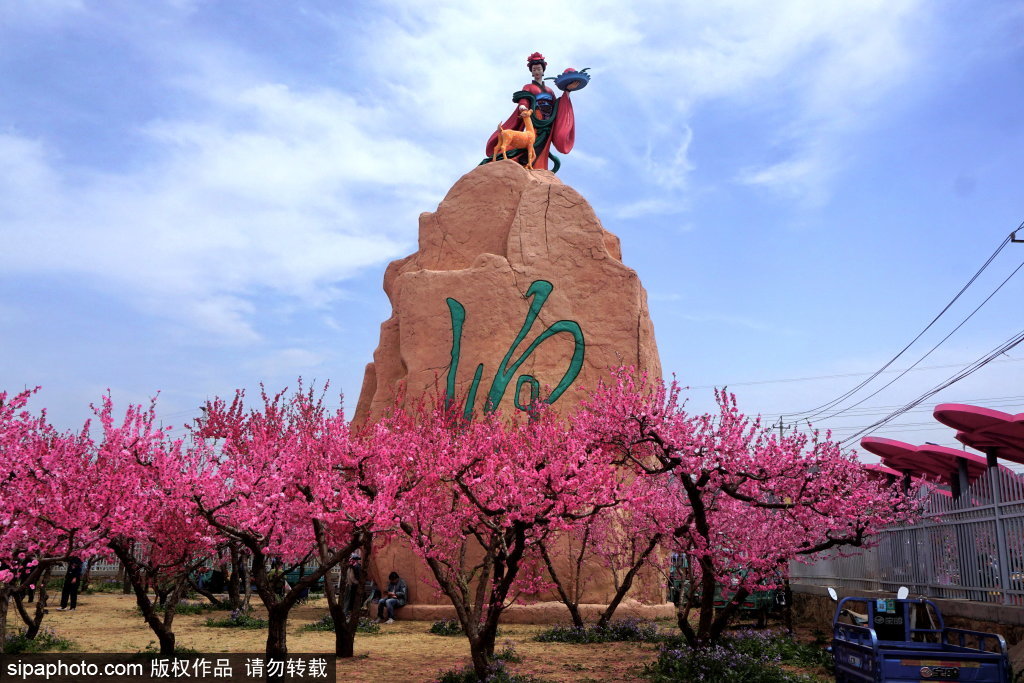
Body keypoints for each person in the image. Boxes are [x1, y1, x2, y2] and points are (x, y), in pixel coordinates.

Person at [484, 51, 576, 171]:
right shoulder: (528, 87)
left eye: (538, 69)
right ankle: (522, 161)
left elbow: (556, 104)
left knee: (543, 144)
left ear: (543, 70)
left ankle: (538, 167)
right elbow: (525, 98)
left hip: (547, 120)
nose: (537, 72)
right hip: (535, 118)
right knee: (532, 141)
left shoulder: (549, 91)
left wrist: (567, 91)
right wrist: (523, 106)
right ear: (532, 72)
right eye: (534, 70)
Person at [341, 550, 362, 616]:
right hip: (351, 585)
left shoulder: (355, 566)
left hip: (352, 585)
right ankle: (346, 612)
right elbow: (350, 577)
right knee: (348, 599)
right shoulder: (353, 566)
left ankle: (348, 612)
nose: (351, 560)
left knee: (350, 599)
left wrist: (355, 583)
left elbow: (354, 577)